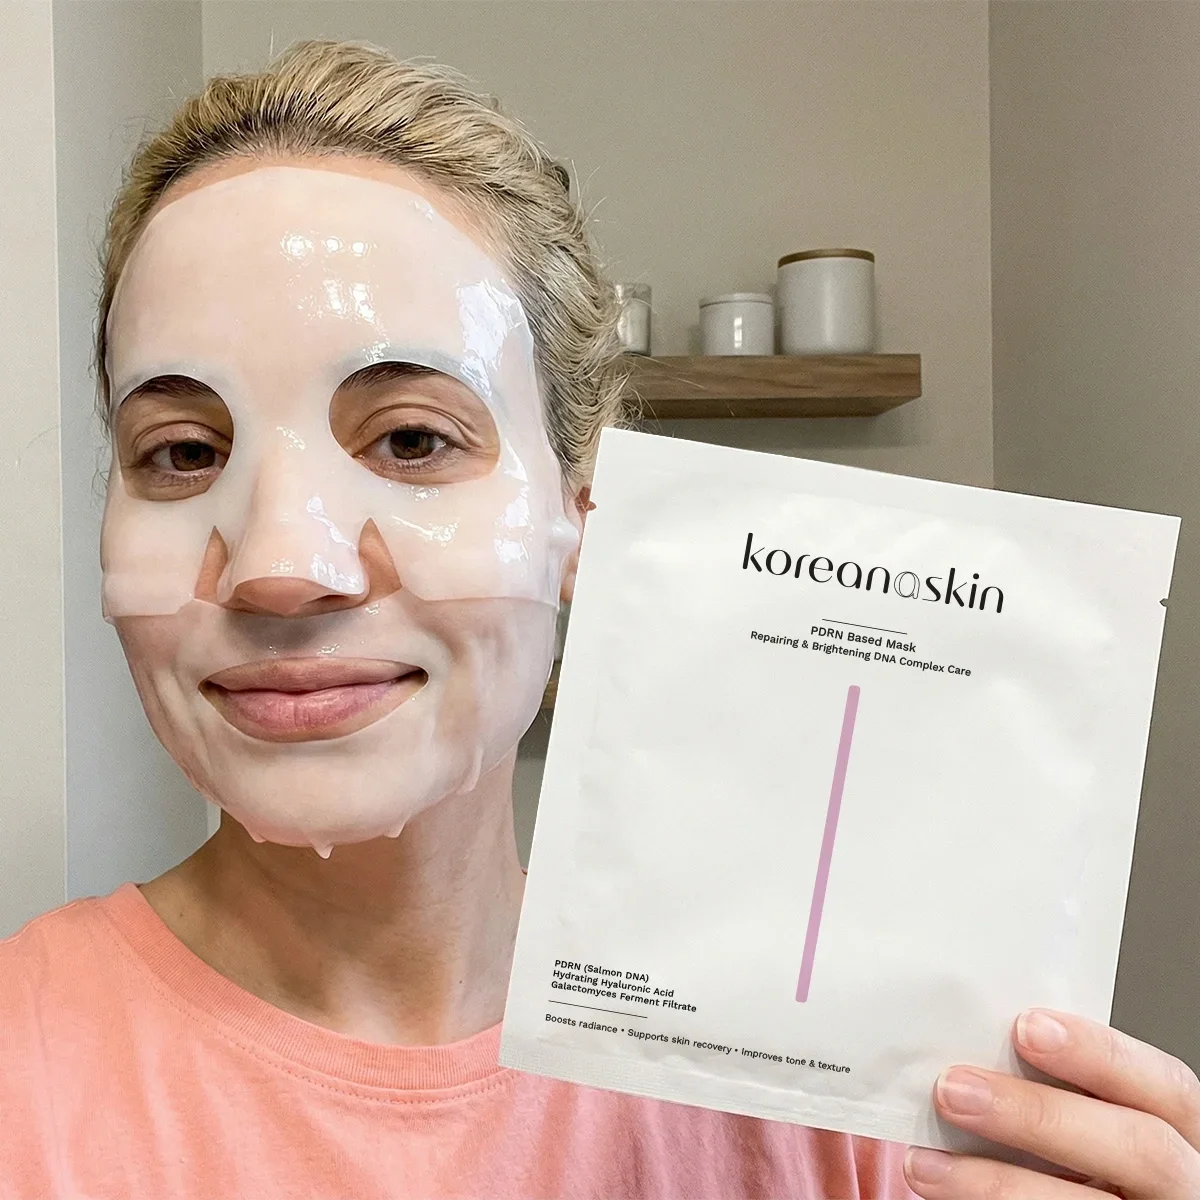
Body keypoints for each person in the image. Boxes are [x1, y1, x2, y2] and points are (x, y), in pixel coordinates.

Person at [1, 39, 1197, 1200]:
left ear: (586, 512)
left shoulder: (846, 1088)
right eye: (183, 452)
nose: (280, 569)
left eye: (412, 439)